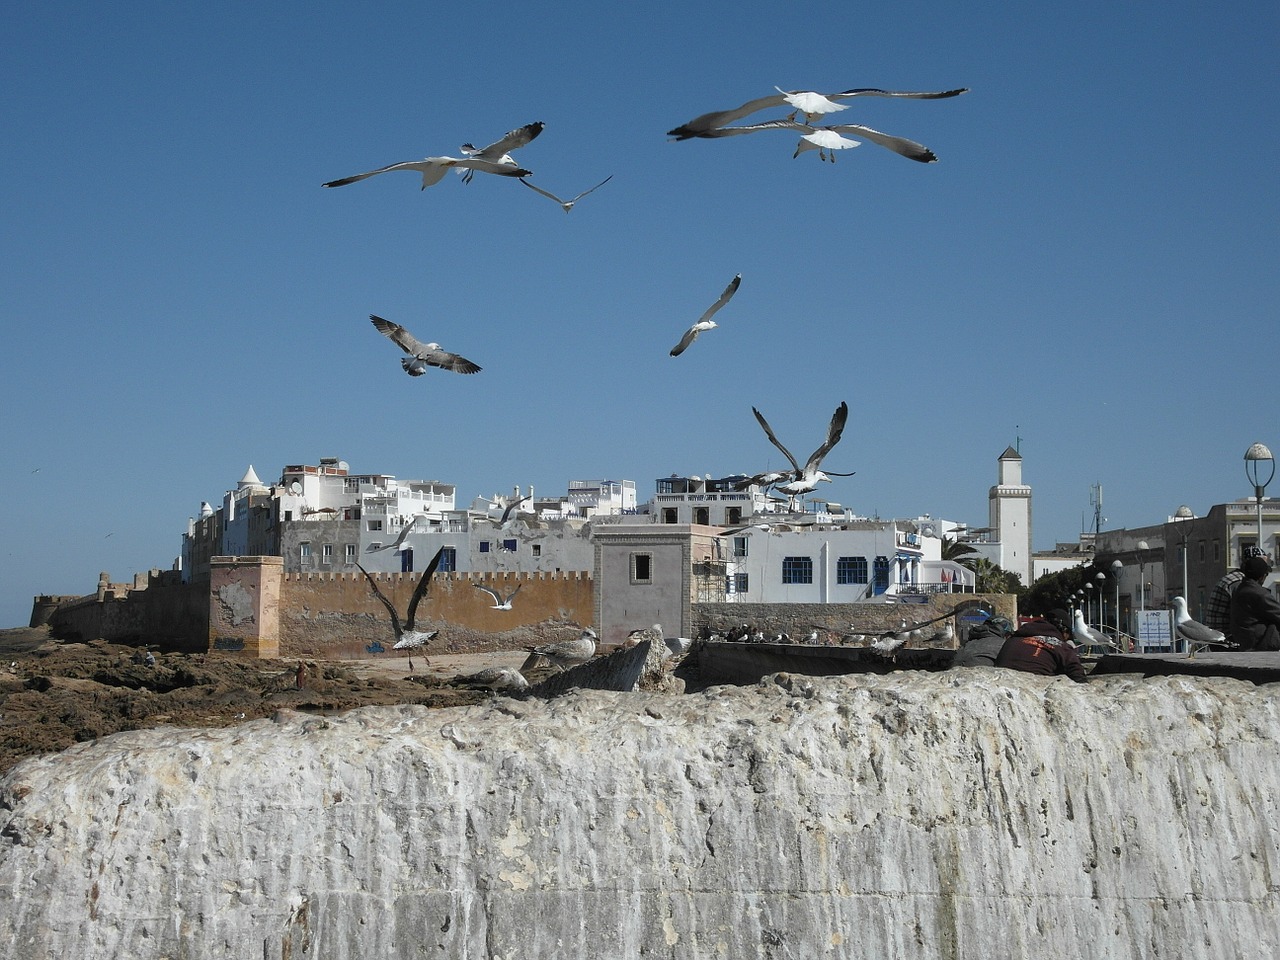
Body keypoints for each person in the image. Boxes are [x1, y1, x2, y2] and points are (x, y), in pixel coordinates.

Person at [994, 609, 1088, 682]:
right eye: (1068, 636)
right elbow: (1079, 677)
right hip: (1035, 692)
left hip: (1001, 685)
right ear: (1064, 631)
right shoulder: (1061, 647)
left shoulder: (1013, 639)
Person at [1204, 545, 1270, 638]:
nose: (1264, 571)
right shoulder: (1239, 583)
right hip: (1226, 637)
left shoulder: (1232, 578)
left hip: (1216, 634)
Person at [1228, 555, 1280, 651]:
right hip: (1258, 641)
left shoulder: (1239, 588)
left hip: (1243, 639)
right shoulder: (1258, 593)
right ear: (1262, 577)